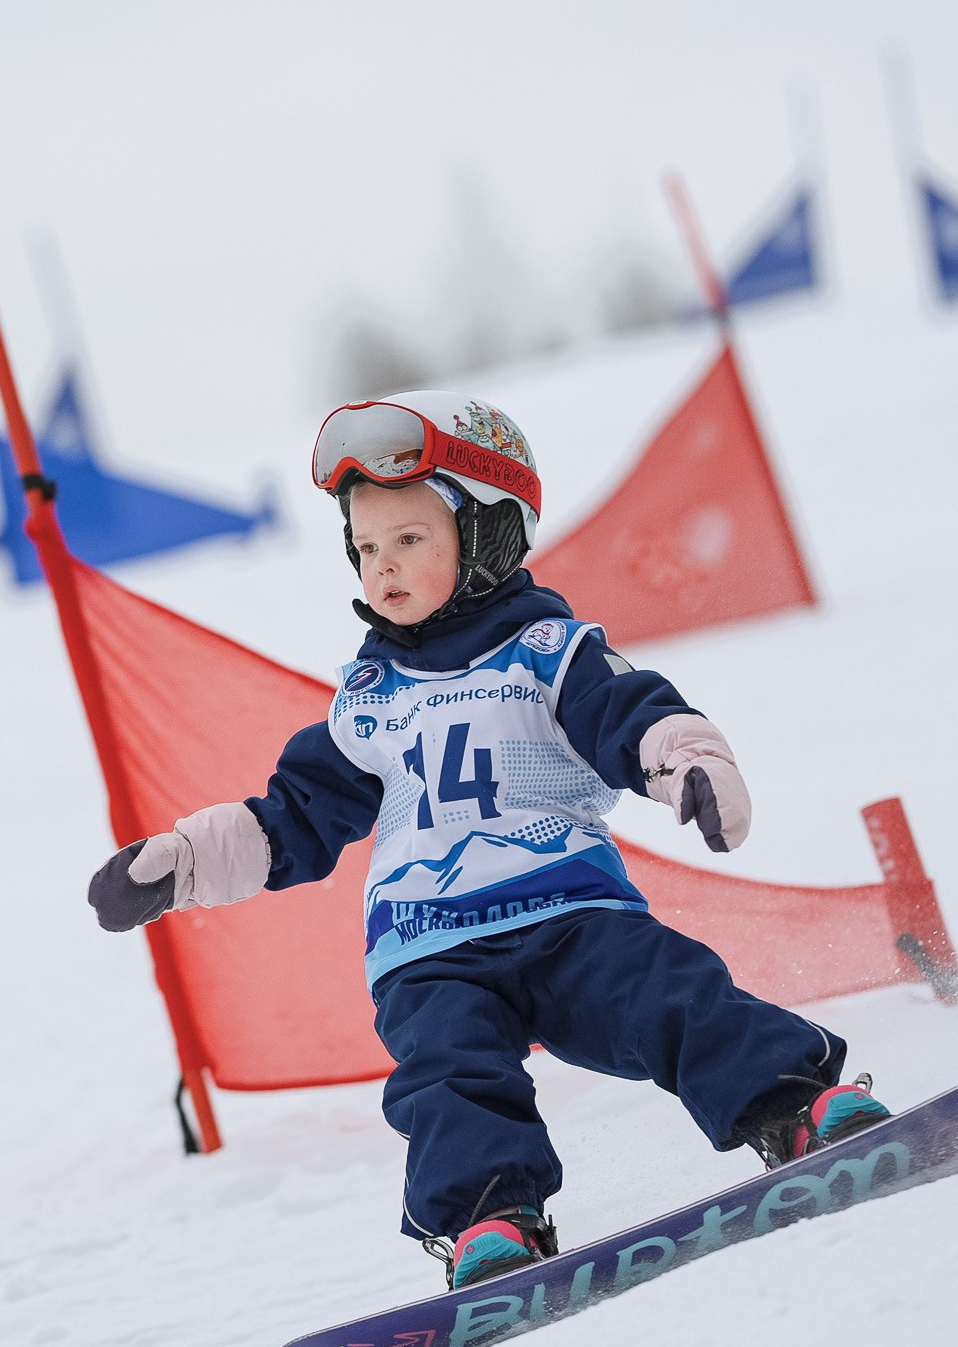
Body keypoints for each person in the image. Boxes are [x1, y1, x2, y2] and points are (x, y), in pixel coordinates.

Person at [86, 392, 887, 1290]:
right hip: (428, 951)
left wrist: (687, 763)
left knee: (672, 994)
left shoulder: (549, 654)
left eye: (410, 540)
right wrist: (183, 862)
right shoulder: (369, 701)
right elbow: (293, 817)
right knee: (447, 1079)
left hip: (570, 916)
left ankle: (796, 1106)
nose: (380, 567)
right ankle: (490, 1224)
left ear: (490, 534)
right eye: (365, 546)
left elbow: (632, 713)